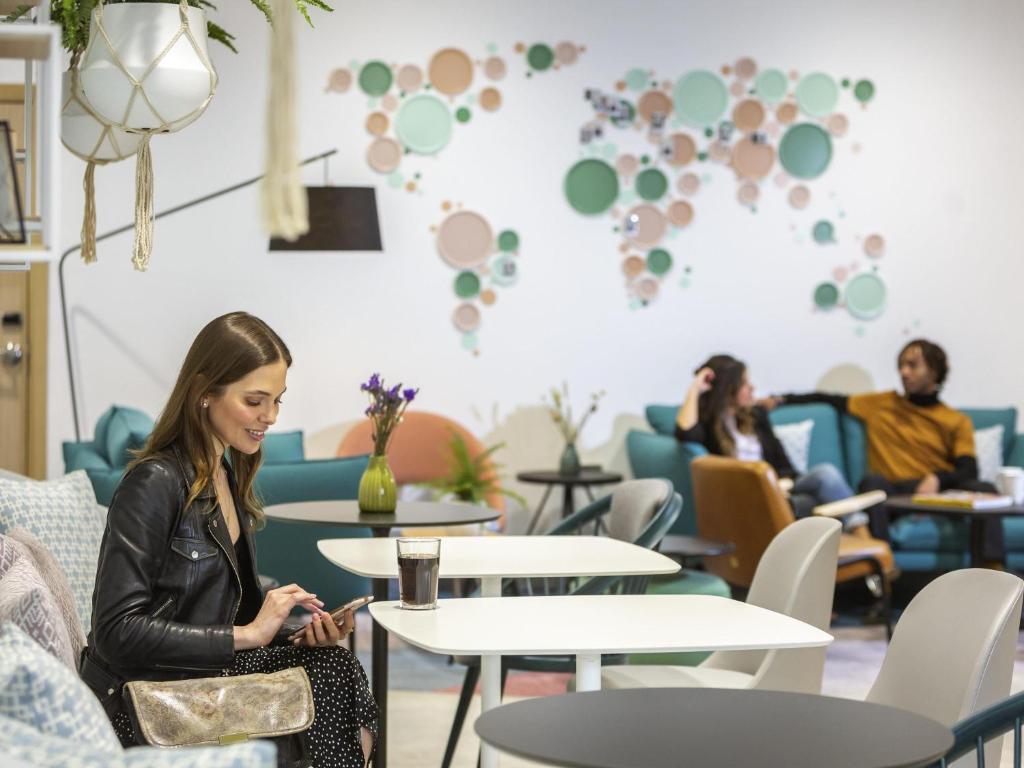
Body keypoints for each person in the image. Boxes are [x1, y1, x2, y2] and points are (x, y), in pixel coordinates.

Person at [80, 312, 377, 767]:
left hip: (198, 677)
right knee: (332, 677)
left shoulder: (224, 472)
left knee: (333, 665)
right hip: (146, 699)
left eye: (277, 401)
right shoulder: (154, 482)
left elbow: (224, 619)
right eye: (255, 400)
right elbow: (116, 632)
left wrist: (296, 635)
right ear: (204, 392)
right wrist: (251, 633)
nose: (270, 417)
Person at [767, 338, 997, 548]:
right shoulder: (880, 404)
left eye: (912, 365)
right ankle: (881, 562)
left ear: (934, 371)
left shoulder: (956, 420)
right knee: (871, 483)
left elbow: (969, 469)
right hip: (895, 492)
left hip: (937, 493)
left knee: (986, 490)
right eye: (901, 365)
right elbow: (827, 398)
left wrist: (937, 478)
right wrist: (780, 399)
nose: (904, 372)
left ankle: (993, 568)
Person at [675, 354, 862, 525]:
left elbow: (781, 461)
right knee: (808, 503)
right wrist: (695, 388)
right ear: (729, 388)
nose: (752, 388)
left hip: (781, 484)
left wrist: (784, 483)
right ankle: (860, 537)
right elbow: (686, 433)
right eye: (744, 383)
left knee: (825, 474)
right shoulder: (708, 423)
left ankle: (860, 529)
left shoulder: (756, 415)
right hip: (750, 494)